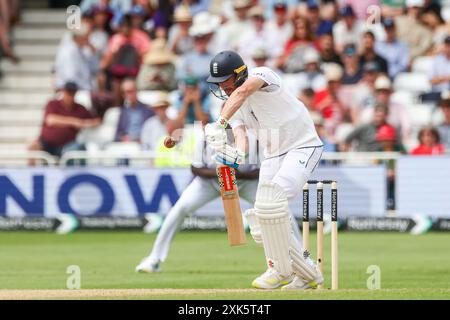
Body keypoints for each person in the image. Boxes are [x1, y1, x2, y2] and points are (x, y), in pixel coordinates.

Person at [204, 51, 324, 290]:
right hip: (273, 155)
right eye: (216, 82)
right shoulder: (232, 104)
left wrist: (219, 124)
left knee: (272, 203)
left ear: (239, 74)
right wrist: (233, 153)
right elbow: (242, 142)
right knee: (261, 215)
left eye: (224, 80)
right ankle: (306, 275)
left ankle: (282, 271)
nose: (221, 86)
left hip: (302, 146)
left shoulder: (263, 75)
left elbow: (243, 92)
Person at [135, 130, 260, 273]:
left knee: (272, 208)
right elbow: (195, 168)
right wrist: (220, 173)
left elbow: (259, 171)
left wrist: (239, 174)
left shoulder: (253, 137)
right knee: (180, 208)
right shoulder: (208, 135)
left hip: (243, 183)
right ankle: (153, 259)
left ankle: (288, 260)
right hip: (208, 183)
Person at [27, 82, 101, 164]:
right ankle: (30, 173)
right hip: (46, 143)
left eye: (72, 93)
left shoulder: (80, 109)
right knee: (32, 145)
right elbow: (50, 120)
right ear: (62, 92)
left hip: (66, 146)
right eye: (68, 92)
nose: (70, 96)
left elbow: (96, 122)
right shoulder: (53, 104)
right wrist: (74, 122)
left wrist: (83, 123)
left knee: (74, 149)